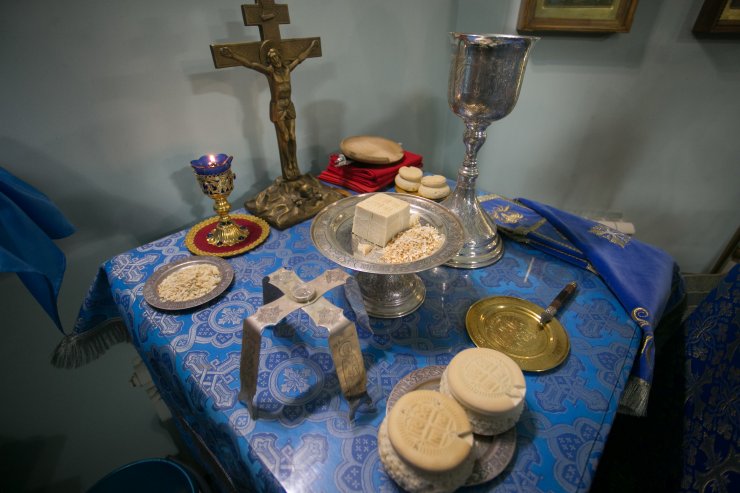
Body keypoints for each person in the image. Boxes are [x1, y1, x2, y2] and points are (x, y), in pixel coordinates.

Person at [220, 40, 318, 181]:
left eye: (277, 57)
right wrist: (232, 55)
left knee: (292, 137)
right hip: (278, 107)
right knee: (284, 138)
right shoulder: (270, 72)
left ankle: (293, 162)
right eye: (272, 58)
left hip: (289, 105)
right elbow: (251, 64)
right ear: (269, 61)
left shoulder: (287, 69)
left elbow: (300, 59)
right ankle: (288, 165)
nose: (276, 60)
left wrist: (311, 47)